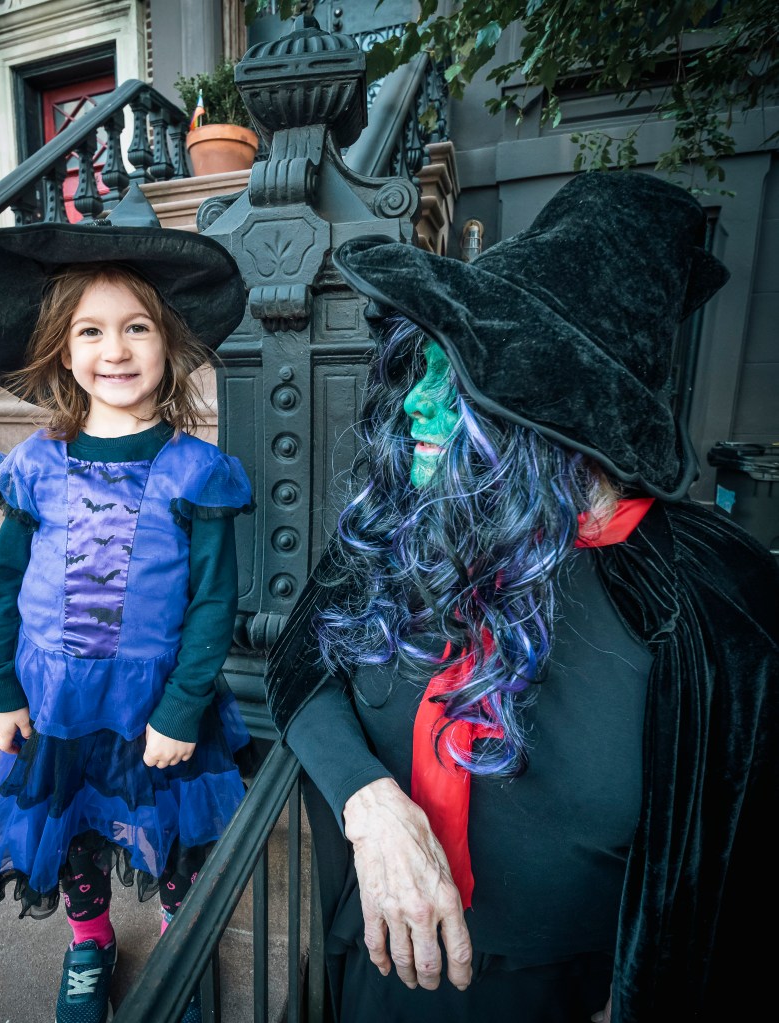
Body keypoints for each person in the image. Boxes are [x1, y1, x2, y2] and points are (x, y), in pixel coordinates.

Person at [265, 171, 778, 1022]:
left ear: (570, 412)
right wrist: (368, 800)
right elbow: (299, 660)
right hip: (371, 971)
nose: (417, 410)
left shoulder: (710, 605)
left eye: (462, 377)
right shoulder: (408, 520)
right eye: (422, 365)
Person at [0, 183, 253, 1023]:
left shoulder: (197, 472)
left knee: (173, 837)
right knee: (72, 832)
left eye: (136, 327)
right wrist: (1, 689)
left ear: (169, 344)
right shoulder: (36, 466)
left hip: (158, 702)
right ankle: (89, 942)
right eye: (91, 330)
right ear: (62, 351)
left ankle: (180, 944)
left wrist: (186, 707)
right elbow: (2, 583)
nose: (114, 349)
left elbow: (213, 602)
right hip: (55, 702)